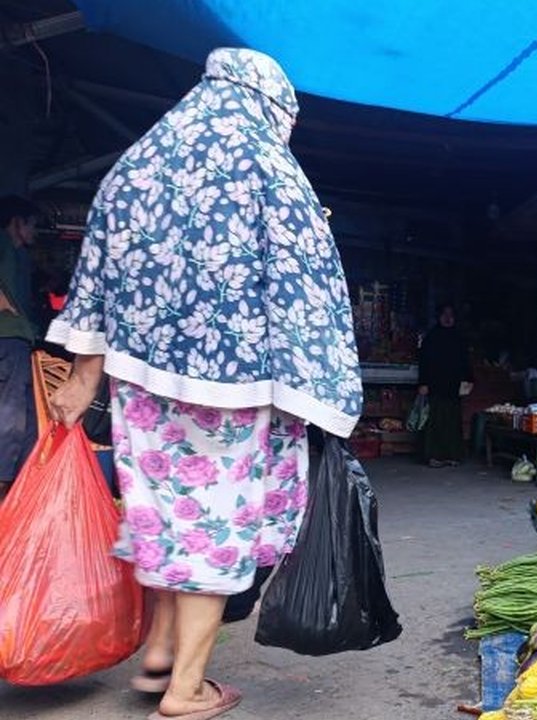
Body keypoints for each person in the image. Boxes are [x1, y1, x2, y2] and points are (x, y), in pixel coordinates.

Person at [45, 48, 362, 720]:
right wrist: (325, 387)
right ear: (270, 105)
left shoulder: (135, 167)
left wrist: (83, 373)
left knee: (165, 516)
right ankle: (185, 690)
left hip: (139, 382)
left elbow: (94, 274)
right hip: (231, 391)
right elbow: (310, 286)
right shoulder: (270, 170)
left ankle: (159, 653)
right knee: (215, 527)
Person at [0, 196, 40, 501]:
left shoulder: (19, 256)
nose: (35, 232)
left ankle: (20, 482)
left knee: (25, 413)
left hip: (20, 339)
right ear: (16, 223)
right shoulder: (3, 245)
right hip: (8, 338)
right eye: (32, 225)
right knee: (12, 410)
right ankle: (3, 478)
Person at [418, 304, 473, 467]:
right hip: (434, 386)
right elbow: (424, 362)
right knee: (435, 421)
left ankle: (452, 455)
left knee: (452, 422)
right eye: (445, 315)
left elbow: (465, 361)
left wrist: (469, 379)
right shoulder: (431, 338)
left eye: (451, 315)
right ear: (439, 317)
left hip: (453, 387)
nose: (448, 318)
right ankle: (434, 456)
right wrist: (423, 383)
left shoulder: (459, 338)